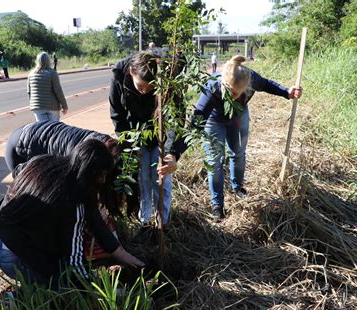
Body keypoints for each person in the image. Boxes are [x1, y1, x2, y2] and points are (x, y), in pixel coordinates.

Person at [0, 139, 144, 288]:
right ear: (91, 173)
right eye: (102, 175)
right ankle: (18, 299)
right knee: (63, 285)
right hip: (12, 255)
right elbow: (74, 261)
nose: (103, 181)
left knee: (55, 263)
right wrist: (91, 288)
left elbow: (93, 218)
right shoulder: (73, 201)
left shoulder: (44, 161)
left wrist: (119, 252)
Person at [193, 55, 302, 220]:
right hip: (214, 119)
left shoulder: (250, 78)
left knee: (237, 153)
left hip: (238, 114)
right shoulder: (213, 85)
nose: (232, 96)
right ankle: (217, 204)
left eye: (236, 93)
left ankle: (237, 188)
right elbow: (198, 118)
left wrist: (287, 92)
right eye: (228, 91)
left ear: (246, 87)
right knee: (215, 161)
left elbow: (266, 84)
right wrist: (174, 152)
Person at [4, 120, 139, 218]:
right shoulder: (86, 159)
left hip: (38, 130)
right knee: (33, 199)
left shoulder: (110, 147)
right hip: (21, 146)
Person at [109, 51, 184, 225]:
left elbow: (178, 118)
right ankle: (144, 222)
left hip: (163, 136)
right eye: (141, 86)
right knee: (143, 180)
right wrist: (130, 146)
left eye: (150, 88)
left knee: (161, 181)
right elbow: (117, 116)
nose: (144, 92)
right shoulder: (119, 77)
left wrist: (173, 153)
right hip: (136, 136)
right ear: (132, 72)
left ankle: (162, 224)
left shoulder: (167, 79)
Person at [27, 51, 68, 122]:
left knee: (43, 130)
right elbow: (58, 91)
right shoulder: (52, 73)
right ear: (48, 61)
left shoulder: (31, 74)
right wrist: (64, 106)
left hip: (37, 107)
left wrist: (33, 104)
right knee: (54, 130)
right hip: (52, 106)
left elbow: (29, 92)